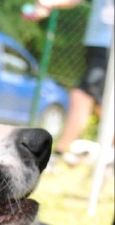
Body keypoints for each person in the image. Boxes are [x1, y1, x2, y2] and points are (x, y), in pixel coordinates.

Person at [26, 0, 113, 167]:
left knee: (83, 95)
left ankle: (57, 154)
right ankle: (59, 154)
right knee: (100, 103)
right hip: (97, 45)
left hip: (109, 47)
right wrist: (49, 4)